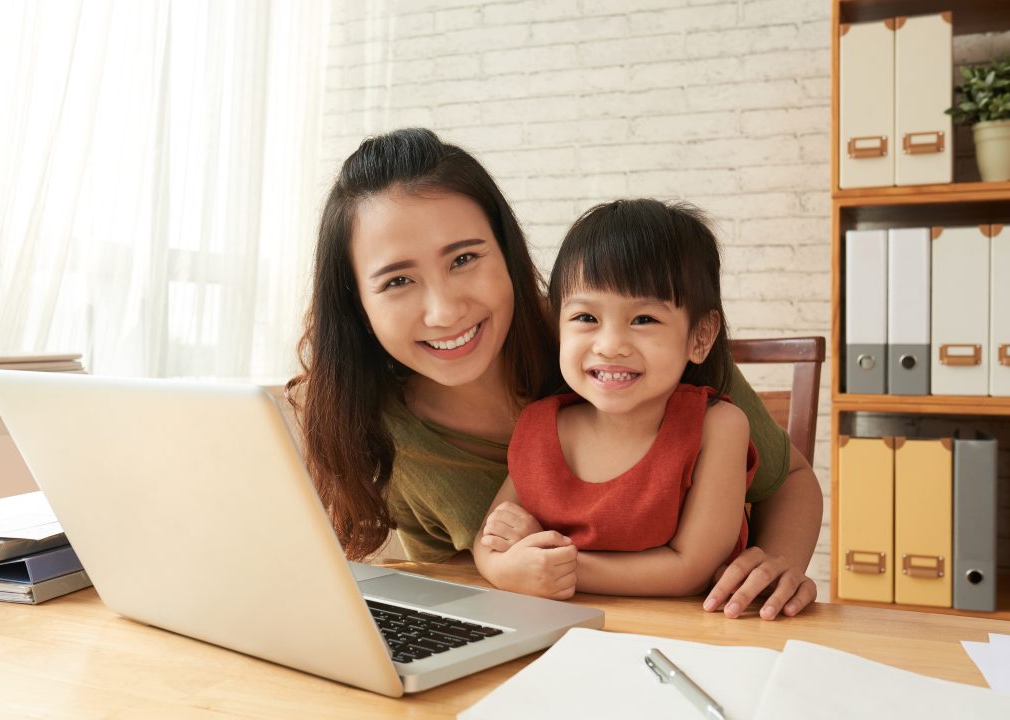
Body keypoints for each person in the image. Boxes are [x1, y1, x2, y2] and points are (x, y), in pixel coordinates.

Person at [289, 128, 822, 619]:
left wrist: (776, 566)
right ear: (357, 303)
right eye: (397, 281)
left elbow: (789, 479)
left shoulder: (634, 351)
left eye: (464, 259)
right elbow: (462, 587)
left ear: (507, 251)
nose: (445, 311)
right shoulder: (383, 432)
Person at [473, 198, 755, 600]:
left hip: (684, 639)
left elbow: (691, 569)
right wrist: (507, 569)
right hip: (563, 635)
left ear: (700, 337)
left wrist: (552, 562)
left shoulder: (718, 426)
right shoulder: (539, 425)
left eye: (644, 319)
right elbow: (488, 539)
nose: (610, 346)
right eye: (586, 318)